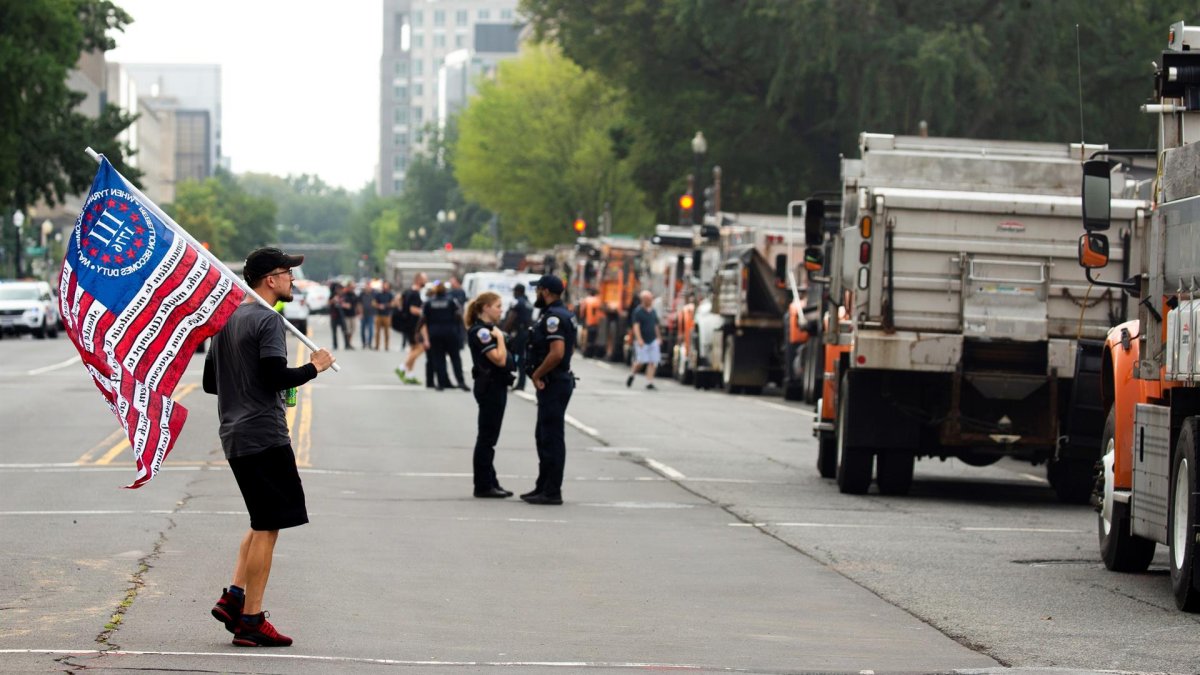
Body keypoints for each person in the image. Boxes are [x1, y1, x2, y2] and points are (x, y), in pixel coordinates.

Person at [203, 247, 335, 647]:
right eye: (288, 273)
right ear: (270, 279)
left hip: (235, 433)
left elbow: (212, 383)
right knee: (269, 525)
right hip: (263, 434)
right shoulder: (267, 319)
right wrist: (315, 367)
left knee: (261, 520)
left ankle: (235, 596)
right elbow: (276, 375)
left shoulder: (227, 320)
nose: (293, 279)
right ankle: (251, 619)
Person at [522, 275, 578, 505]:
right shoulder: (561, 314)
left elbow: (557, 352)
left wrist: (536, 374)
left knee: (551, 438)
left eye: (538, 290)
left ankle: (552, 490)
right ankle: (543, 485)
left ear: (545, 291)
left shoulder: (553, 318)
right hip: (555, 381)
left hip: (553, 382)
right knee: (543, 436)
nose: (536, 294)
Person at [465, 291, 515, 498]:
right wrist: (501, 339)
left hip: (496, 385)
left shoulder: (489, 330)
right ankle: (483, 485)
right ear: (485, 308)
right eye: (497, 306)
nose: (501, 310)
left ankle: (491, 480)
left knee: (490, 437)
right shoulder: (482, 332)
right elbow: (499, 359)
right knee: (487, 437)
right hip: (490, 386)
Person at [422, 282, 469, 391]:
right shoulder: (451, 301)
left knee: (439, 359)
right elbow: (458, 315)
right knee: (455, 358)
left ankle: (441, 383)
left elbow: (423, 319)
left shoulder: (429, 302)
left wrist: (417, 331)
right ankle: (461, 382)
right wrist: (463, 329)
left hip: (435, 334)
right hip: (450, 333)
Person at [502, 283, 534, 391]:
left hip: (517, 334)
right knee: (521, 359)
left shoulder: (517, 302)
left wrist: (504, 332)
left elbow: (511, 317)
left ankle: (507, 381)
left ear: (518, 291)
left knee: (510, 357)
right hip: (525, 333)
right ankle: (521, 383)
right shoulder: (529, 303)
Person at [627, 291, 661, 390]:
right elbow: (636, 327)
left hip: (653, 340)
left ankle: (649, 382)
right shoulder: (638, 312)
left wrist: (658, 337)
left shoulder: (653, 311)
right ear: (644, 300)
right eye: (649, 299)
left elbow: (655, 326)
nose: (651, 301)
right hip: (642, 340)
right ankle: (632, 375)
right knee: (641, 362)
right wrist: (639, 339)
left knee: (653, 361)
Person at [396, 273, 426, 384]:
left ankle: (410, 374)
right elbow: (413, 309)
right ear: (418, 280)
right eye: (424, 280)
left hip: (406, 324)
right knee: (421, 348)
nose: (425, 282)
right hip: (413, 325)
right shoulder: (415, 294)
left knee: (413, 348)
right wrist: (425, 313)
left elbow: (398, 300)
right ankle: (402, 368)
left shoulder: (407, 292)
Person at [373, 282, 394, 351]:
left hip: (387, 315)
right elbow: (373, 303)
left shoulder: (390, 294)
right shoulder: (378, 294)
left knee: (387, 332)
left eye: (386, 285)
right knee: (377, 332)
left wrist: (385, 305)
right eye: (384, 285)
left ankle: (386, 346)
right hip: (379, 314)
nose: (385, 287)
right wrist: (378, 306)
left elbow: (393, 303)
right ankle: (377, 345)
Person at [328, 281, 349, 350]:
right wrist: (333, 300)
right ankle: (335, 345)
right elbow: (328, 303)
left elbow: (349, 305)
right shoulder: (332, 295)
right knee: (334, 332)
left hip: (342, 315)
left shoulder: (344, 296)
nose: (340, 291)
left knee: (345, 331)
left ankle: (347, 344)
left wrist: (343, 304)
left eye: (341, 289)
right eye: (338, 289)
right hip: (334, 316)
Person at [340, 283, 360, 349]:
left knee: (352, 329)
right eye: (351, 287)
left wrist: (359, 312)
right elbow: (341, 302)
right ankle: (347, 343)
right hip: (346, 315)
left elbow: (357, 304)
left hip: (353, 314)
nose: (352, 288)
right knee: (347, 330)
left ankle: (349, 342)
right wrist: (345, 305)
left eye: (353, 287)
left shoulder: (354, 295)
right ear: (348, 287)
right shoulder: (344, 295)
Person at [359, 283, 376, 349]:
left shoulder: (373, 294)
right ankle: (364, 342)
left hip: (371, 314)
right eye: (367, 287)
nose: (368, 289)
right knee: (363, 329)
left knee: (371, 329)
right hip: (363, 313)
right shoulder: (362, 295)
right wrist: (360, 313)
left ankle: (369, 343)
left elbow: (375, 303)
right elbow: (359, 304)